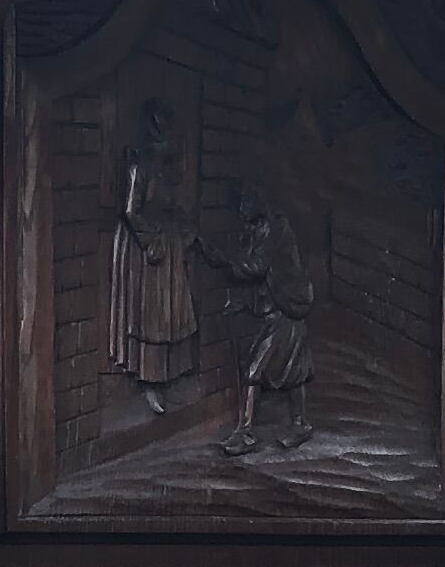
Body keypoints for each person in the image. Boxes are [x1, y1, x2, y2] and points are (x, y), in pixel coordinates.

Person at [106, 98, 200, 412]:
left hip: (168, 242)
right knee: (152, 315)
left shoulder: (166, 170)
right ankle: (149, 382)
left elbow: (172, 205)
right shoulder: (140, 167)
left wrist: (184, 229)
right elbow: (132, 212)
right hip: (145, 247)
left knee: (173, 313)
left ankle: (170, 376)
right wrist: (151, 242)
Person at [211, 190, 315, 456]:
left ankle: (245, 432)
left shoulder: (276, 228)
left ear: (259, 203)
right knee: (293, 369)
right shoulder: (255, 229)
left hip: (286, 308)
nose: (242, 212)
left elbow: (256, 266)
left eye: (246, 204)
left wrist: (227, 260)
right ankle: (300, 424)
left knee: (257, 370)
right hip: (275, 312)